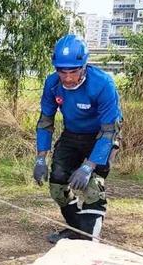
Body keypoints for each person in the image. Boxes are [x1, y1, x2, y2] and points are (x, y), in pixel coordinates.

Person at [33, 33, 122, 243]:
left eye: (73, 71)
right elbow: (45, 121)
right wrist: (40, 158)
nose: (68, 78)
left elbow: (110, 130)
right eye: (62, 71)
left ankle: (89, 242)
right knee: (57, 187)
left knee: (93, 188)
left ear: (84, 66)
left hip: (101, 136)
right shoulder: (52, 84)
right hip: (72, 135)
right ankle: (76, 229)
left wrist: (89, 166)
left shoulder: (103, 84)